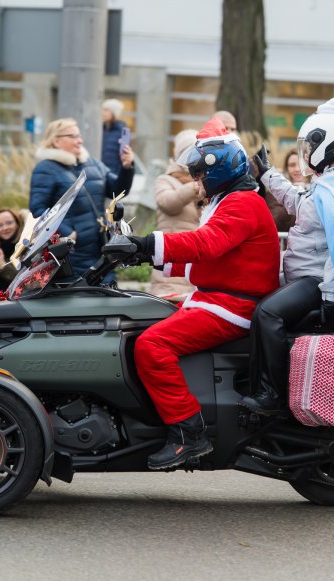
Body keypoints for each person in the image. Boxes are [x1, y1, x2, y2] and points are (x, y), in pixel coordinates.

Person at [123, 117, 280, 470]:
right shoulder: (232, 199)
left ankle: (188, 434)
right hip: (220, 297)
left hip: (231, 306)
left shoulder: (241, 204)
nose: (197, 181)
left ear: (219, 171)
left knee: (151, 345)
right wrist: (141, 256)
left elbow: (205, 245)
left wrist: (149, 244)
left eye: (200, 175)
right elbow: (214, 263)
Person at [240, 110, 334, 415]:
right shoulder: (333, 184)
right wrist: (267, 173)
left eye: (311, 148)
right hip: (304, 275)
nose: (306, 155)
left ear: (330, 147)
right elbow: (301, 202)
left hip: (316, 281)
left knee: (267, 314)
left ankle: (271, 394)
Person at [29, 118, 134, 280]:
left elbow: (118, 190)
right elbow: (38, 209)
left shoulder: (92, 163)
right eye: (73, 136)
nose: (80, 141)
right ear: (56, 141)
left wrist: (126, 168)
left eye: (79, 135)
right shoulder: (45, 168)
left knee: (106, 294)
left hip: (100, 248)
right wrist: (68, 233)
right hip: (71, 253)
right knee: (79, 297)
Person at [149, 129, 202, 302]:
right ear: (178, 154)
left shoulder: (205, 181)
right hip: (172, 265)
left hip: (196, 262)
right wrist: (194, 188)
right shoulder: (165, 180)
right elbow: (168, 203)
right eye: (187, 152)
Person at [264, 148, 307, 232]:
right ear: (286, 169)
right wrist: (290, 192)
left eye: (301, 164)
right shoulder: (274, 191)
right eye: (292, 165)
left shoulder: (317, 188)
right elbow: (275, 221)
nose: (297, 169)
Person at [0, 207, 23, 281]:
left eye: (9, 223)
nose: (5, 228)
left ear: (17, 224)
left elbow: (28, 282)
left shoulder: (25, 247)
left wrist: (2, 266)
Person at [100, 98, 126, 173]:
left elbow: (124, 156)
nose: (103, 113)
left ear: (114, 113)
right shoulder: (100, 130)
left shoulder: (122, 132)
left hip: (113, 174)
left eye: (106, 110)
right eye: (103, 109)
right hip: (99, 173)